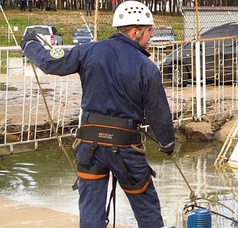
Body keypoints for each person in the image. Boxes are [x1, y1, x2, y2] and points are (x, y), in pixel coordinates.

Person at [20, 1, 175, 227]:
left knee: (91, 215)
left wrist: (29, 44)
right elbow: (158, 112)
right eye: (149, 31)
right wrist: (167, 143)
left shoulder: (88, 50)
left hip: (89, 145)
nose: (151, 36)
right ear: (135, 32)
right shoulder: (146, 67)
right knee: (147, 209)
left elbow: (50, 63)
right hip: (125, 149)